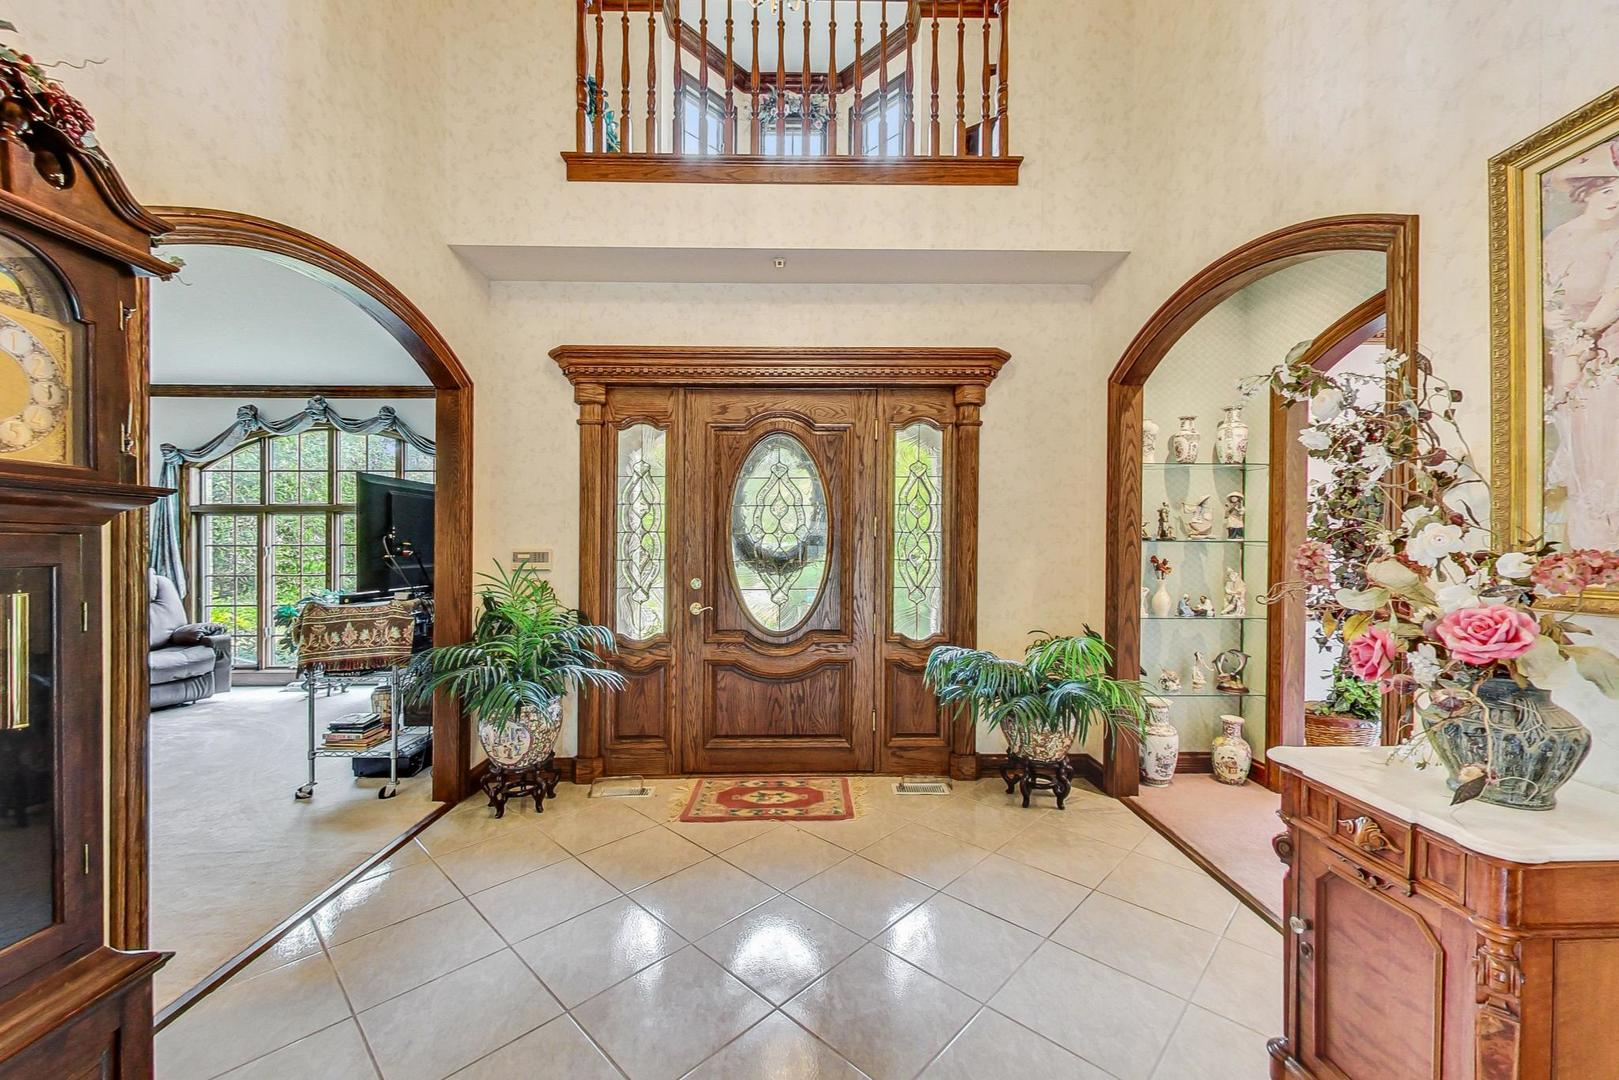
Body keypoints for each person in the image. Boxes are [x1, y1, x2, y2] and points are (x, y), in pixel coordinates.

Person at [1543, 140, 1619, 548]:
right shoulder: (1558, 239)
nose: (1615, 200)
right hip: (1567, 350)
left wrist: (1581, 343)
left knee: (1607, 445)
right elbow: (1539, 292)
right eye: (1606, 190)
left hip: (1606, 349)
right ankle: (1590, 552)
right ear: (1586, 192)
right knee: (1579, 447)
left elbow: (1614, 296)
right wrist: (1544, 316)